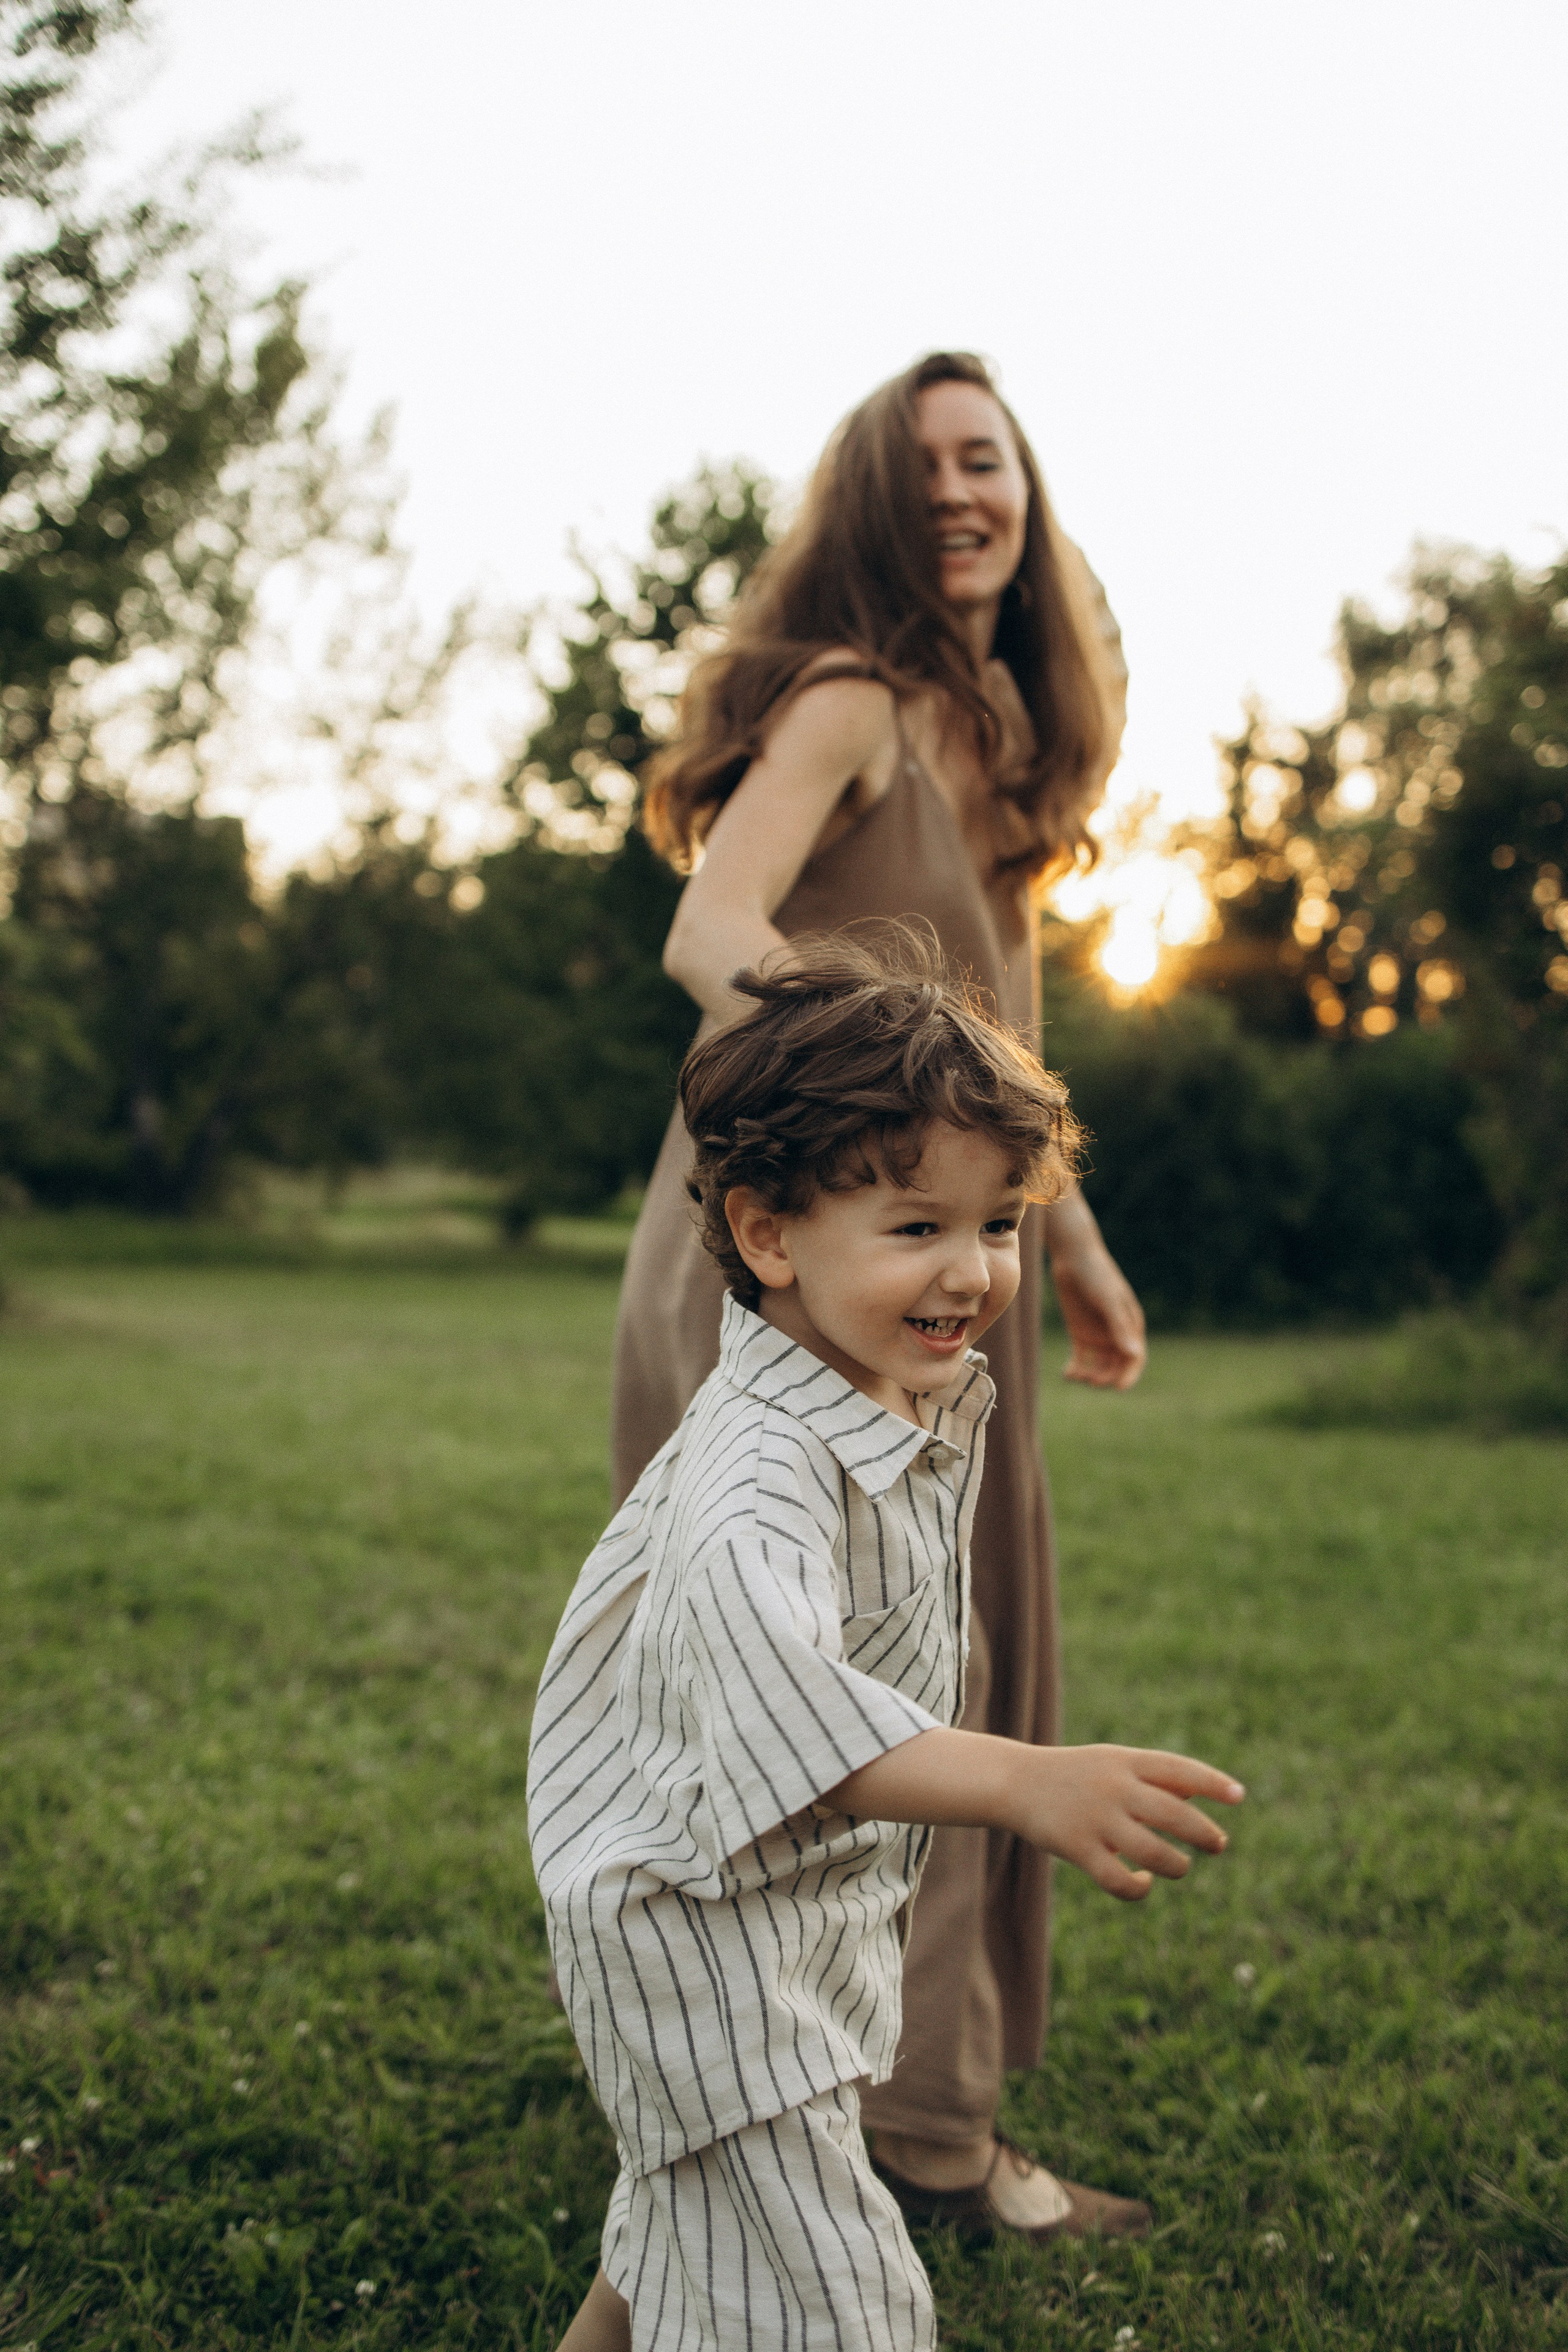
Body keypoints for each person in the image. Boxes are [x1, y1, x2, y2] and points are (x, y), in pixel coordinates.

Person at [529, 933, 1243, 2352]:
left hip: (785, 1922)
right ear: (768, 1235)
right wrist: (1023, 1780)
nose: (970, 1272)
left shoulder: (881, 1394)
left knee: (681, 2223)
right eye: (916, 1228)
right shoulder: (758, 1473)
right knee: (839, 2304)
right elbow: (786, 1713)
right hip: (701, 1939)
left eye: (998, 1226)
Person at [611, 352, 1148, 2234]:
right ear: (872, 510)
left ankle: (899, 2115)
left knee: (945, 1660)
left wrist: (1066, 1237)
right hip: (798, 1257)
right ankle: (849, 2128)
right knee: (828, 1684)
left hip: (939, 1253)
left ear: (1028, 490)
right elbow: (709, 931)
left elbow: (1004, 1043)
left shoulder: (993, 745)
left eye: (984, 460)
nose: (958, 497)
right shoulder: (851, 702)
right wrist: (880, 1081)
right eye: (918, 474)